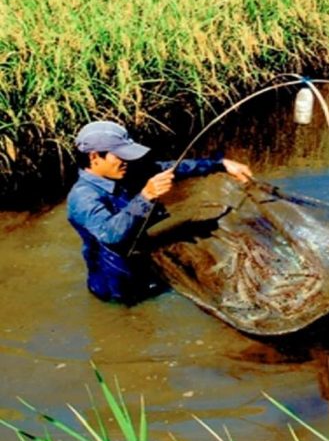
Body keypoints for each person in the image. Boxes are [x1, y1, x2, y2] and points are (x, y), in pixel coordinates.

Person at [67, 120, 252, 305]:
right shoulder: (83, 197)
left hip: (148, 267)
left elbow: (170, 169)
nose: (126, 161)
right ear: (94, 157)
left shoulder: (124, 172)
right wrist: (145, 196)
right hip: (116, 289)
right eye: (119, 156)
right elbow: (111, 235)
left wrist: (220, 164)